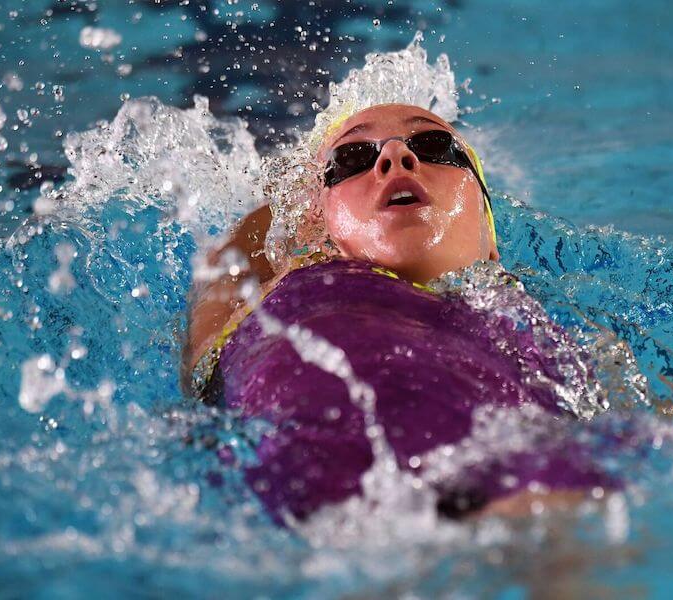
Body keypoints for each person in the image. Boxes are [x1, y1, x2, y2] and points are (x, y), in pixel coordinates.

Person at [184, 104, 613, 524]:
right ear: (318, 227)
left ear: (490, 236)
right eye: (351, 159)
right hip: (341, 521)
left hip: (534, 497)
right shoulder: (272, 295)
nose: (395, 155)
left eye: (434, 145)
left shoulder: (532, 329)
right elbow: (228, 266)